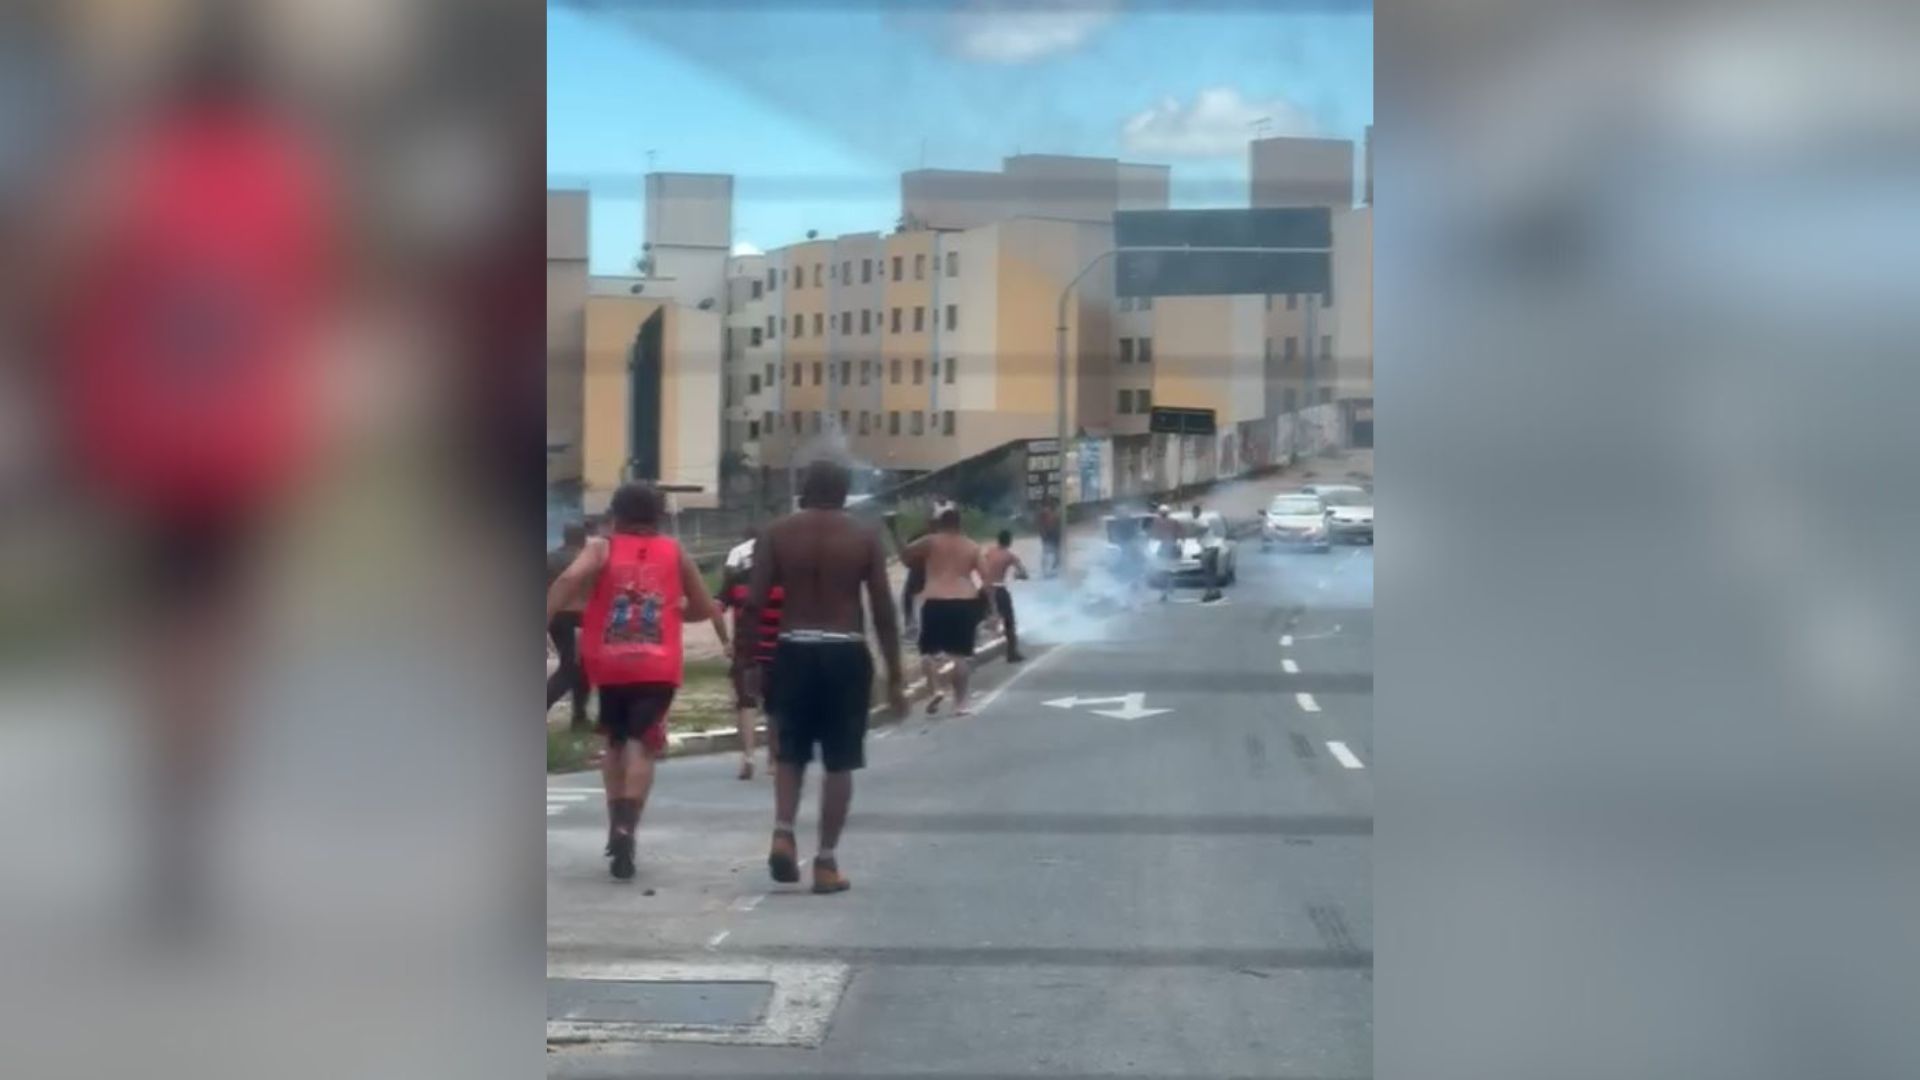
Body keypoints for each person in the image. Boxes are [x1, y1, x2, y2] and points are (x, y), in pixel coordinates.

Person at [547, 482, 729, 882]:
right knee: (642, 745)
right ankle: (628, 825)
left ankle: (616, 821)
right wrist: (677, 610)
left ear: (617, 514)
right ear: (658, 515)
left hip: (610, 665)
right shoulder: (674, 551)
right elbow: (704, 605)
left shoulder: (602, 547)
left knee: (613, 740)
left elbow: (565, 582)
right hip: (658, 667)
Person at [749, 459, 907, 894]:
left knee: (790, 753)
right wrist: (895, 674)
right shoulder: (864, 536)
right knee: (840, 760)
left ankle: (783, 831)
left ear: (804, 488)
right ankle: (825, 862)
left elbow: (754, 604)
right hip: (844, 650)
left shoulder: (777, 532)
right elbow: (882, 610)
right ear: (843, 492)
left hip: (791, 649)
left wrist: (746, 664)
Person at [903, 507, 987, 714]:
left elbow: (905, 556)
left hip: (935, 601)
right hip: (964, 601)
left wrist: (894, 533)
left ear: (941, 523)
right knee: (959, 656)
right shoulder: (972, 546)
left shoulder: (930, 541)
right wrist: (991, 608)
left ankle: (936, 690)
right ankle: (961, 704)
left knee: (927, 653)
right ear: (961, 524)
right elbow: (987, 579)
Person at [720, 527, 784, 780]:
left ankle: (748, 756)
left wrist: (725, 640)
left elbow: (716, 607)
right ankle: (773, 760)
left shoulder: (737, 580)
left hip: (746, 650)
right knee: (775, 707)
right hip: (778, 651)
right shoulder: (785, 579)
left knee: (746, 704)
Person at [546, 522, 593, 730]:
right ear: (584, 539)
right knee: (571, 669)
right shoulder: (584, 560)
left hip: (555, 617)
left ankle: (580, 718)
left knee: (580, 668)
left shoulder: (550, 558)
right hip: (577, 618)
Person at [981, 529, 1030, 662]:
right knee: (1009, 621)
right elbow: (1024, 574)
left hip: (984, 589)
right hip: (998, 589)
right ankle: (1012, 653)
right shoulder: (1009, 556)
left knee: (978, 620)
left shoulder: (989, 551)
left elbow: (982, 565)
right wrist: (1018, 576)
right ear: (1009, 541)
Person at [1150, 504, 1186, 603]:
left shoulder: (1157, 523)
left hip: (1165, 548)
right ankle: (1168, 588)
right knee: (1168, 571)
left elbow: (1153, 535)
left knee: (1164, 571)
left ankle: (1165, 591)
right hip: (1168, 548)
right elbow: (1181, 534)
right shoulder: (1172, 522)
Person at [1037, 499, 1063, 578]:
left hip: (1054, 534)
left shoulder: (1055, 513)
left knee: (1054, 553)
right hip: (1050, 534)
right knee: (1049, 552)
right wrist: (1043, 534)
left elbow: (1058, 525)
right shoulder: (1046, 512)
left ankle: (1052, 570)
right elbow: (1041, 524)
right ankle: (1048, 571)